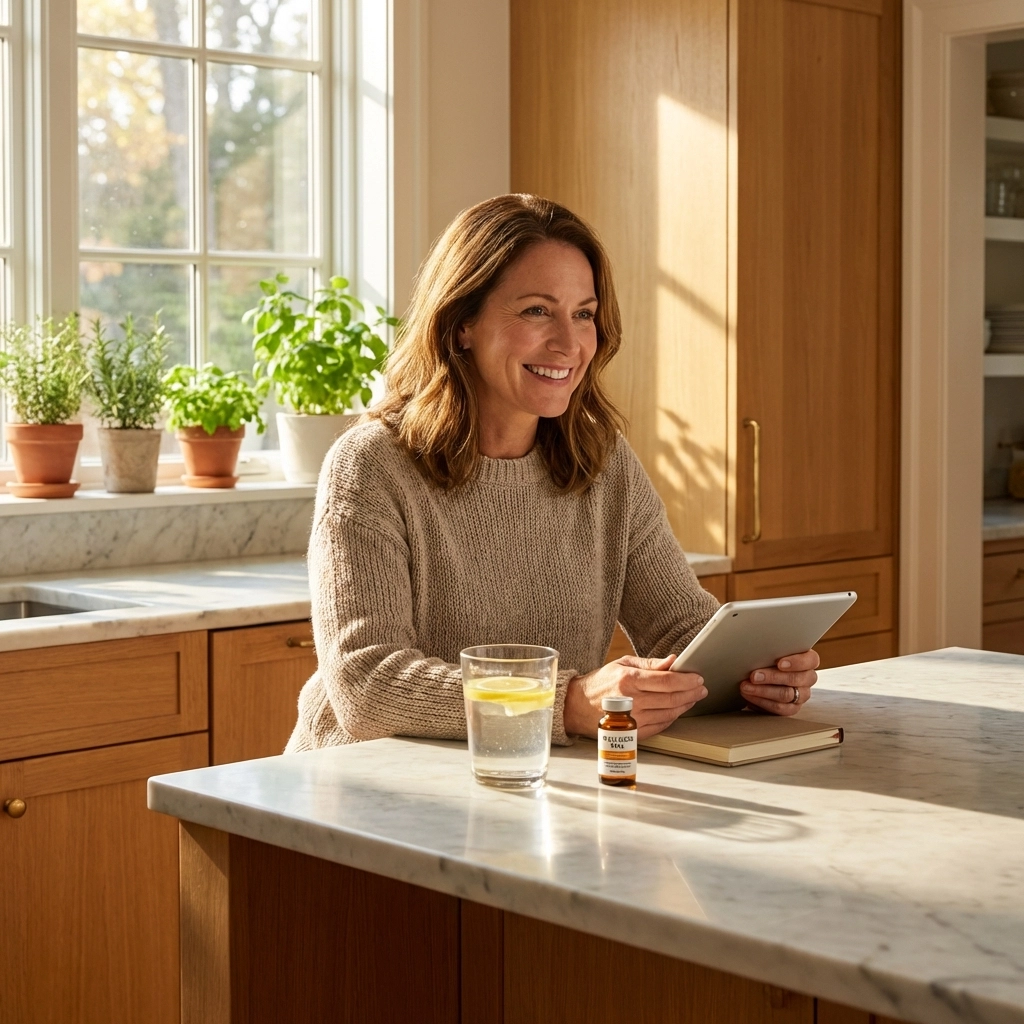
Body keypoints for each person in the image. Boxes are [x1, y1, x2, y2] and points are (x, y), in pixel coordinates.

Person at [285, 194, 818, 752]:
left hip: (531, 774)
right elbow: (367, 687)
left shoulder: (601, 460)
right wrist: (562, 701)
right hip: (362, 780)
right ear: (462, 323)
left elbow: (680, 628)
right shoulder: (371, 464)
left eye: (584, 314)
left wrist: (753, 673)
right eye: (537, 311)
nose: (568, 343)